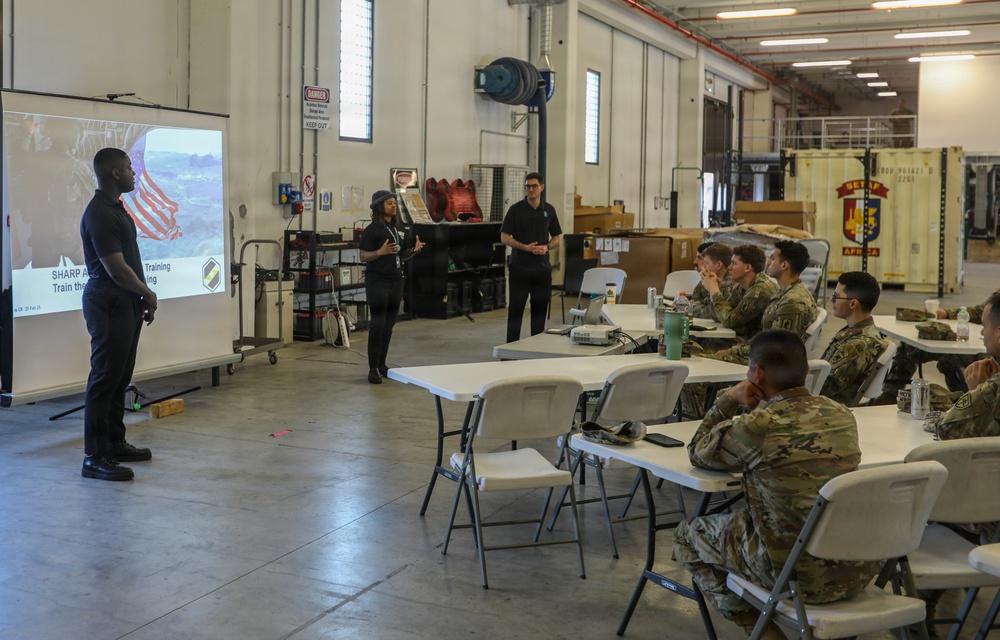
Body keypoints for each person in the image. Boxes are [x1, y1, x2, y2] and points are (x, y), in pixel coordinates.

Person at [673, 329, 879, 639]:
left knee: (687, 536)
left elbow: (698, 452)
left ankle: (764, 633)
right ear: (806, 370)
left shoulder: (759, 426)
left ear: (756, 372)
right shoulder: (841, 414)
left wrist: (728, 399)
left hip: (797, 576)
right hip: (857, 568)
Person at [79, 148, 158, 481]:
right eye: (128, 168)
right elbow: (116, 268)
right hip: (108, 300)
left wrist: (138, 296)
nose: (133, 173)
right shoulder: (100, 212)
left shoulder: (115, 208)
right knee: (105, 379)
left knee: (120, 377)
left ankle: (114, 442)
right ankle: (94, 457)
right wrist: (147, 291)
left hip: (124, 301)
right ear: (114, 173)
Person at [873, 289, 999, 405]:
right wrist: (947, 313)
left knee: (953, 360)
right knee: (912, 346)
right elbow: (986, 311)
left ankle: (966, 403)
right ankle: (890, 394)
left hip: (991, 356)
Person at [714, 240, 818, 366]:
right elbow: (766, 336)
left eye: (773, 258)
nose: (768, 262)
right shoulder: (784, 293)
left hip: (768, 365)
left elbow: (774, 346)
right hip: (762, 355)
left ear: (784, 265)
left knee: (705, 360)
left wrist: (733, 351)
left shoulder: (792, 301)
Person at [359, 190, 424, 384]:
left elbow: (400, 255)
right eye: (389, 203)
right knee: (378, 325)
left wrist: (413, 251)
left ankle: (382, 364)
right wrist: (379, 252)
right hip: (378, 281)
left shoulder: (398, 228)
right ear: (380, 207)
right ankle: (372, 369)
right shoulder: (372, 230)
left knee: (388, 325)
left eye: (394, 202)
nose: (394, 206)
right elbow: (363, 256)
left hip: (397, 280)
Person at [500, 172, 562, 343]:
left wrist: (547, 246)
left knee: (539, 312)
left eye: (534, 186)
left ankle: (536, 347)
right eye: (528, 186)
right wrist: (524, 247)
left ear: (542, 187)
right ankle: (510, 350)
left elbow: (557, 236)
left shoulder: (549, 210)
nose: (531, 189)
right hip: (520, 269)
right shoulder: (516, 210)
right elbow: (504, 236)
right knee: (516, 310)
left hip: (542, 269)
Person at [820, 271, 890, 405]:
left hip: (829, 409)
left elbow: (823, 387)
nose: (832, 300)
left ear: (853, 304)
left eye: (836, 296)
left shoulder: (857, 346)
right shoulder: (859, 332)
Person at [699, 244, 777, 344]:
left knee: (706, 344)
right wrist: (715, 290)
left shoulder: (759, 290)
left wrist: (714, 290)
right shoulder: (743, 285)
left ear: (747, 267)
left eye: (734, 264)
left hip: (754, 345)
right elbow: (719, 315)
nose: (729, 267)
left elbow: (728, 321)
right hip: (744, 338)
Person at [689, 242, 733, 320]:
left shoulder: (730, 285)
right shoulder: (710, 279)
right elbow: (697, 300)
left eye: (706, 263)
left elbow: (713, 313)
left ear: (718, 265)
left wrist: (687, 310)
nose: (703, 266)